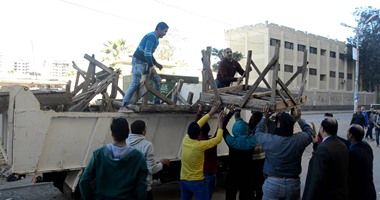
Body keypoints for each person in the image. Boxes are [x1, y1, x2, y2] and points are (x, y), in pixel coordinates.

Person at [79, 117, 148, 200]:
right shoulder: (138, 157)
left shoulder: (99, 154)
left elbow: (84, 181)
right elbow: (142, 188)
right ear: (127, 133)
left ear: (112, 134)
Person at [254, 106, 313, 200]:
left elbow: (257, 133)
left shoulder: (270, 140)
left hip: (273, 183)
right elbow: (310, 133)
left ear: (278, 125)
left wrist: (265, 117)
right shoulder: (299, 140)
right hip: (293, 184)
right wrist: (299, 119)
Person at [180, 101, 225, 200]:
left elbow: (197, 124)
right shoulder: (201, 145)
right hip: (197, 182)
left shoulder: (186, 139)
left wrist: (209, 113)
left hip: (183, 180)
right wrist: (220, 123)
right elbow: (217, 139)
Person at [121, 22, 169, 111]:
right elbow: (147, 53)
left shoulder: (154, 38)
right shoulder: (152, 37)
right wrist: (151, 66)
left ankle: (124, 104)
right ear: (159, 29)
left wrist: (156, 64)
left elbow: (149, 53)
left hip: (136, 61)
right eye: (164, 31)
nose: (165, 34)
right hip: (140, 62)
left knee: (135, 83)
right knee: (157, 80)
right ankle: (156, 102)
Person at [302, 117, 349, 200]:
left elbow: (315, 180)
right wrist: (316, 143)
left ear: (322, 129)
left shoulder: (323, 149)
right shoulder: (342, 145)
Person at [126, 120, 170, 200]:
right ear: (143, 131)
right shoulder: (147, 145)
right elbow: (152, 169)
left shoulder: (125, 142)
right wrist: (162, 163)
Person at [222, 107, 257, 200]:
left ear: (234, 129)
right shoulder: (252, 142)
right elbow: (258, 128)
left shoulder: (231, 141)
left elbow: (222, 126)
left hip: (233, 174)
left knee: (230, 195)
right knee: (245, 196)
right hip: (246, 175)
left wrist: (231, 113)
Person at [194, 103, 218, 200]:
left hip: (198, 173)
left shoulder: (196, 140)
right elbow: (220, 129)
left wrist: (200, 111)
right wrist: (222, 118)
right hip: (209, 173)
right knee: (207, 195)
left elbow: (196, 124)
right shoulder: (211, 143)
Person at [346, 124, 376, 200]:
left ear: (351, 135)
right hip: (370, 191)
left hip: (359, 194)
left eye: (347, 132)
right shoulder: (366, 146)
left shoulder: (353, 153)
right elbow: (348, 143)